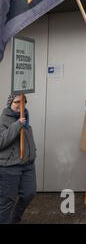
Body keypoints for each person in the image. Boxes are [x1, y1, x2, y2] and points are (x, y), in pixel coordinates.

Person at [0, 94, 36, 224]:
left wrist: (32, 153)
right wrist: (17, 125)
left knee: (29, 193)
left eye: (23, 102)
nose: (20, 105)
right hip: (10, 166)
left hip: (28, 164)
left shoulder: (25, 118)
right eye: (17, 102)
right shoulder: (3, 119)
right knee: (7, 200)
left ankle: (14, 219)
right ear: (10, 103)